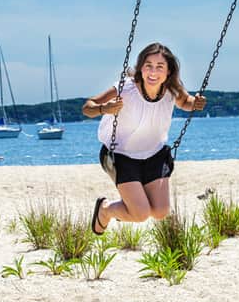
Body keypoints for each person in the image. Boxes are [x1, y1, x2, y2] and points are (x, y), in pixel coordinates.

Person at [84, 42, 206, 235]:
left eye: (160, 67)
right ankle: (105, 210)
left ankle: (116, 208)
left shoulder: (171, 89)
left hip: (154, 154)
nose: (153, 72)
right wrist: (103, 109)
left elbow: (185, 102)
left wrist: (195, 102)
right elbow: (87, 107)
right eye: (148, 65)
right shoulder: (125, 88)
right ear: (141, 68)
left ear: (168, 72)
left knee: (160, 211)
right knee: (140, 214)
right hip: (120, 155)